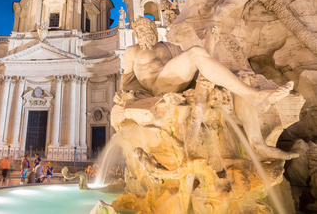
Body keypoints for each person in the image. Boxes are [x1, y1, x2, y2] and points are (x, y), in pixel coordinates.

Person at [121, 17, 297, 160]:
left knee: (241, 76)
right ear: (136, 34)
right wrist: (129, 97)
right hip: (159, 87)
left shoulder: (169, 47)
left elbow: (200, 64)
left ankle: (257, 142)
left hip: (179, 82)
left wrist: (210, 44)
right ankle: (256, 95)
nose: (146, 33)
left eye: (149, 29)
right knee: (196, 52)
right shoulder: (131, 52)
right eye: (141, 30)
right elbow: (127, 81)